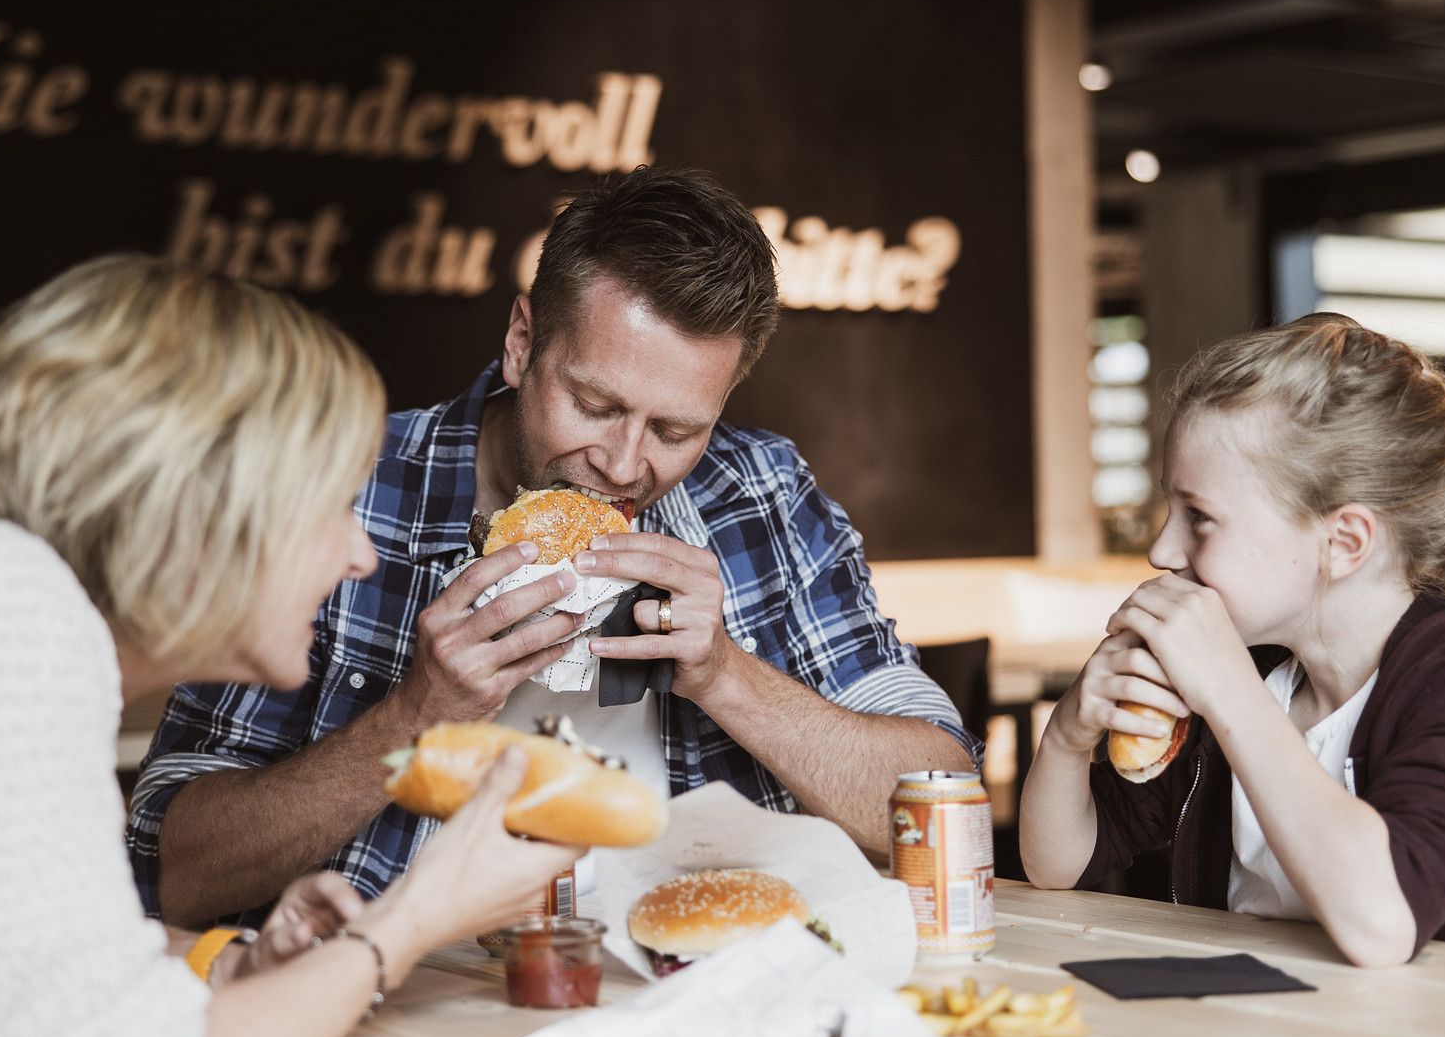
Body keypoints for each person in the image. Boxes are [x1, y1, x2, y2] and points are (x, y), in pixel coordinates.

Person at [0, 256, 578, 1037]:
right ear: (200, 506)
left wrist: (228, 960)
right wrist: (418, 914)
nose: (360, 553)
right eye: (329, 506)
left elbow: (19, 953)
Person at [131, 166, 979, 928]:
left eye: (675, 430)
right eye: (595, 406)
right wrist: (414, 715)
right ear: (521, 342)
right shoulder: (342, 489)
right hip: (401, 996)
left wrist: (724, 675)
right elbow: (172, 868)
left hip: (687, 991)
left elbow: (941, 799)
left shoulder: (760, 491)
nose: (623, 464)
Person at [1019, 314, 1445, 966]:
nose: (1162, 550)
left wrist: (1228, 692)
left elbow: (1383, 921)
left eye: (1200, 517)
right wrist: (1067, 736)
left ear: (1344, 542)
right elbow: (1059, 862)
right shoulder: (1258, 669)